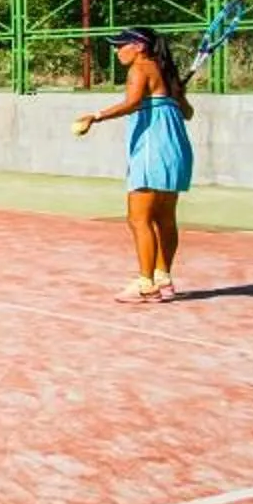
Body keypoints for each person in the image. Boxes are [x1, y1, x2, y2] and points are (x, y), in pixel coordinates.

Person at [78, 24, 192, 302]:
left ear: (139, 46)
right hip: (175, 148)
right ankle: (163, 279)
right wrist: (176, 95)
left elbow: (131, 103)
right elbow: (188, 113)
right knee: (165, 218)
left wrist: (96, 116)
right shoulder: (167, 73)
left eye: (121, 45)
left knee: (138, 219)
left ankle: (145, 284)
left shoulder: (139, 69)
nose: (117, 50)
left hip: (152, 149)